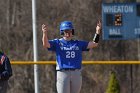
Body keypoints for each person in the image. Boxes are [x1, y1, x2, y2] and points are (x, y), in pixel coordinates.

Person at [42, 20, 101, 93]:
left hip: (76, 72)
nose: (68, 33)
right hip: (63, 72)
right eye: (66, 31)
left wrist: (97, 32)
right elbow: (45, 44)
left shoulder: (78, 43)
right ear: (62, 32)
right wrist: (44, 33)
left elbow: (94, 44)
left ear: (72, 31)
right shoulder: (57, 42)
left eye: (70, 31)